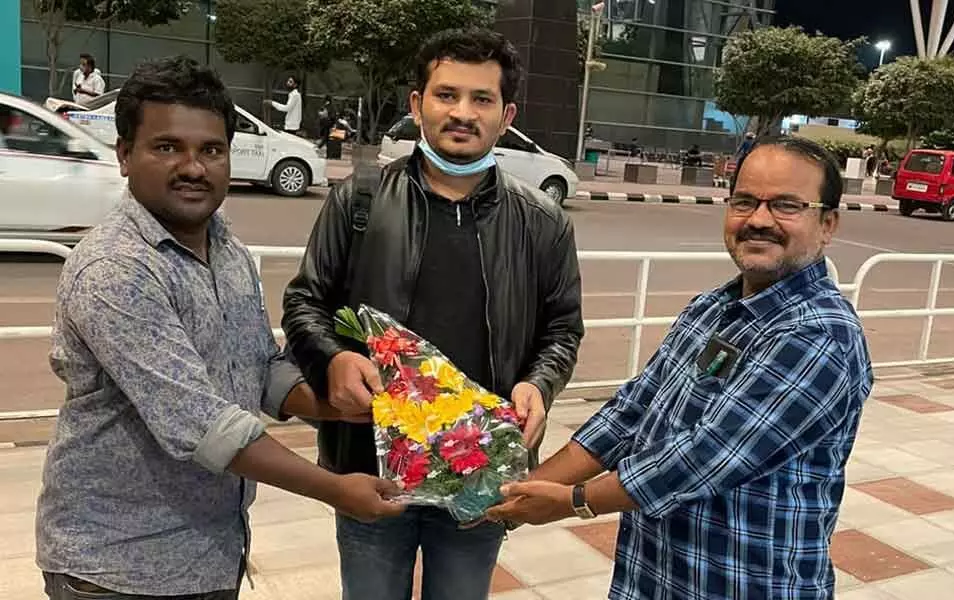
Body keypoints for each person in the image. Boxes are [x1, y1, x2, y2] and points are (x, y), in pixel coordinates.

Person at [35, 56, 403, 600]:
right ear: (124, 156)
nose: (193, 167)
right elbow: (204, 425)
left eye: (211, 150)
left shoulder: (225, 245)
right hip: (118, 567)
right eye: (167, 147)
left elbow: (256, 365)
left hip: (211, 550)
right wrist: (335, 490)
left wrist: (341, 402)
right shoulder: (114, 269)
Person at [487, 136, 874, 600]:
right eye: (745, 201)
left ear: (827, 223)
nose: (759, 220)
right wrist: (522, 490)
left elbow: (706, 457)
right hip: (656, 575)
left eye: (787, 205)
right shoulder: (712, 308)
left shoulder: (820, 333)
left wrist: (574, 502)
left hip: (747, 584)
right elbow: (630, 413)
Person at [281, 27, 585, 600]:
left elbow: (562, 328)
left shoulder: (542, 221)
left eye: (482, 99)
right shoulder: (361, 200)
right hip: (372, 471)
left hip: (480, 471)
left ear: (506, 114)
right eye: (446, 95)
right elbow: (304, 302)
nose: (462, 112)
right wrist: (335, 358)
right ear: (418, 104)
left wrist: (538, 385)